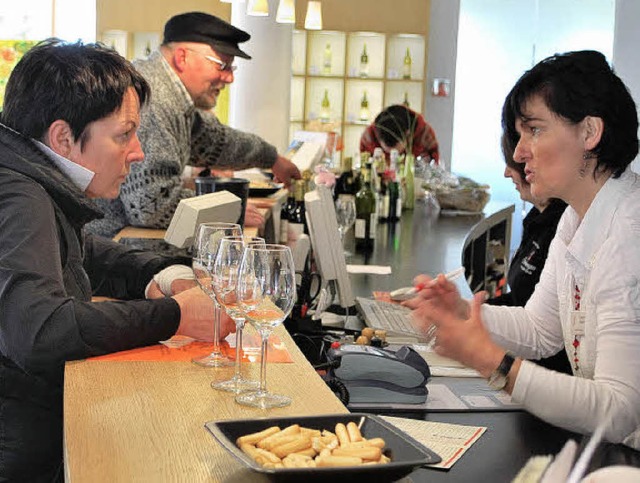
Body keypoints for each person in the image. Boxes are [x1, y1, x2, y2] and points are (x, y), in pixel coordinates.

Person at [0, 39, 235, 481]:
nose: (138, 151)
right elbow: (40, 332)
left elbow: (79, 251)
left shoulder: (22, 174)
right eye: (124, 134)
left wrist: (159, 275)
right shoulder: (19, 195)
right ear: (63, 138)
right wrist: (175, 316)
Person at [408, 50, 640, 447]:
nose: (517, 153)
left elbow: (618, 412)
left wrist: (488, 359)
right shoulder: (574, 219)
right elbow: (540, 330)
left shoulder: (629, 237)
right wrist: (463, 313)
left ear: (589, 133)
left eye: (534, 130)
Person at [87, 11, 301, 238]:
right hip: (107, 252)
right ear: (182, 58)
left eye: (231, 68)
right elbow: (151, 206)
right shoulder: (155, 97)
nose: (229, 78)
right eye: (222, 66)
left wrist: (272, 159)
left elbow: (216, 141)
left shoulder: (171, 96)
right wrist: (226, 210)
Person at [487, 134, 571, 374]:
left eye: (512, 164)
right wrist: (468, 309)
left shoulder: (562, 226)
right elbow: (521, 302)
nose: (506, 172)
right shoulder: (536, 218)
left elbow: (541, 335)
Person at [359, 104, 440, 164]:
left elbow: (433, 166)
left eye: (395, 152)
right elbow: (364, 164)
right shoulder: (370, 136)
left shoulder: (424, 133)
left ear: (408, 135)